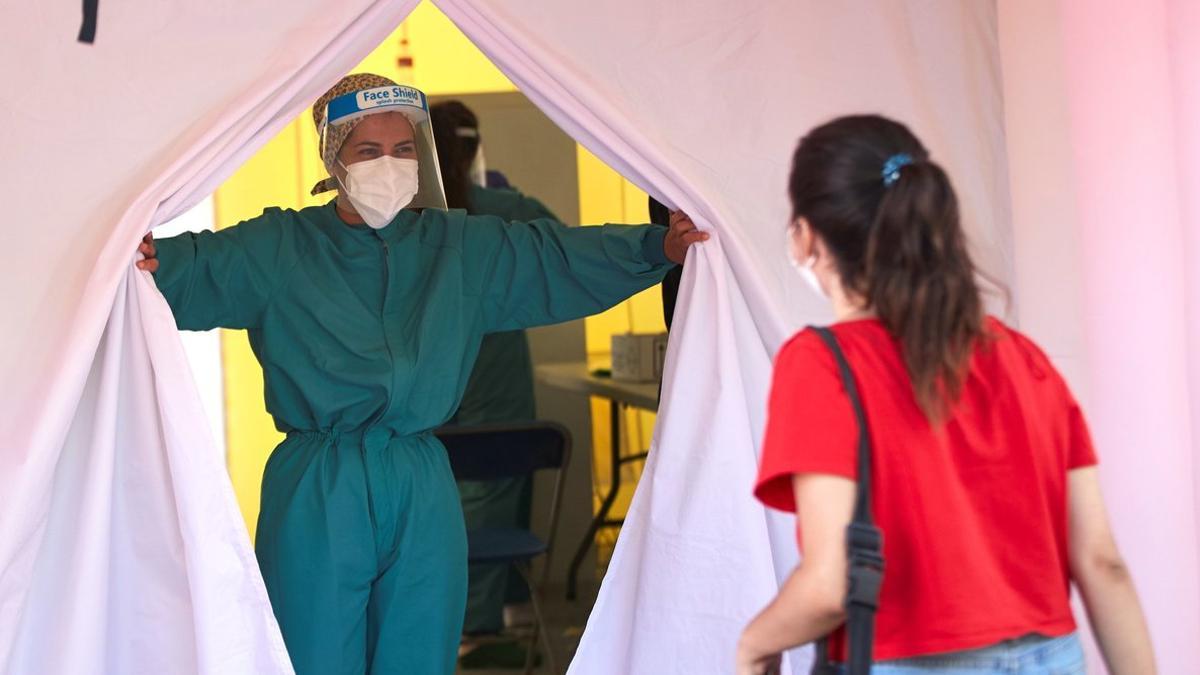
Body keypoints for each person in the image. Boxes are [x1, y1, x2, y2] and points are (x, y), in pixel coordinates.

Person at [135, 73, 707, 675]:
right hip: (319, 486)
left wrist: (655, 250)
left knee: (420, 653)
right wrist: (143, 257)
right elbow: (184, 272)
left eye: (404, 150)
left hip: (421, 480)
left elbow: (558, 259)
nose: (390, 165)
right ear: (333, 158)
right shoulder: (279, 248)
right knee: (313, 654)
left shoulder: (458, 248)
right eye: (368, 151)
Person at [737, 115, 1154, 674]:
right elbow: (1102, 562)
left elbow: (830, 583)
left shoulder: (821, 365)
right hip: (1053, 659)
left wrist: (755, 643)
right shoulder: (1025, 360)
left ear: (806, 236)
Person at [428, 99, 553, 668]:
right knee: (490, 492)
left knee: (428, 505)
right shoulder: (505, 210)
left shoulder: (408, 218)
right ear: (476, 150)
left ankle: (434, 619)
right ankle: (476, 628)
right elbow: (569, 252)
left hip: (421, 382)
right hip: (494, 387)